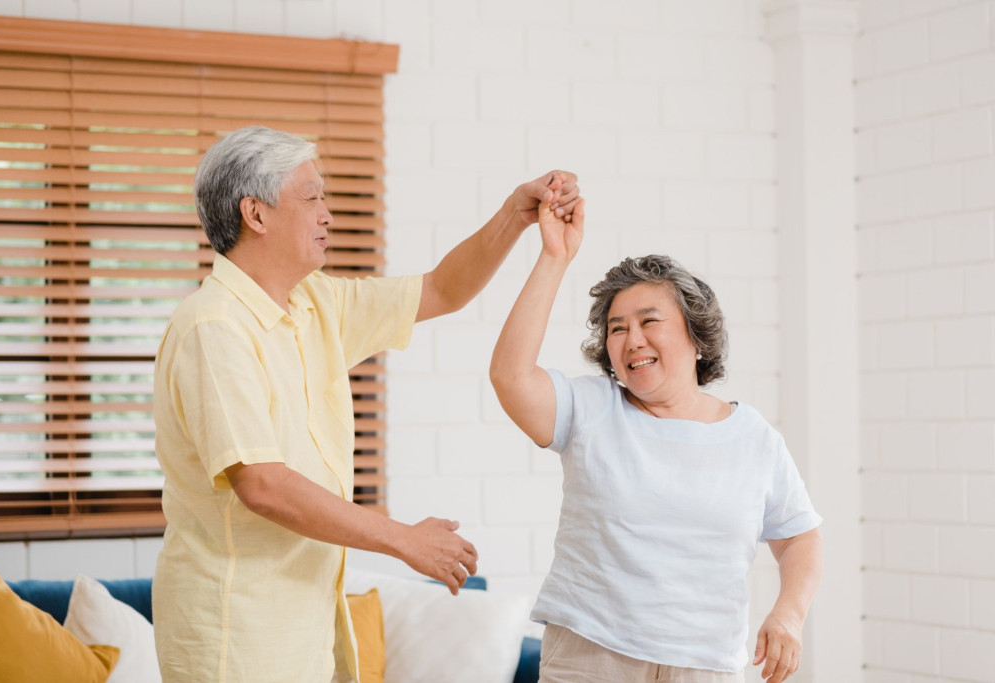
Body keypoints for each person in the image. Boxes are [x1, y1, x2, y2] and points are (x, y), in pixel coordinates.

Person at [152, 125, 582, 683]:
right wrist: (403, 539)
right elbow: (261, 483)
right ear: (255, 215)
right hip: (235, 634)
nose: (327, 213)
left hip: (305, 629)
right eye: (311, 198)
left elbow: (443, 289)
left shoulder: (314, 302)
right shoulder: (213, 327)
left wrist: (515, 216)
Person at [489, 201, 823, 683]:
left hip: (706, 665)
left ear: (697, 336)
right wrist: (554, 257)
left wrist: (789, 614)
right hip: (592, 655)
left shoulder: (754, 439)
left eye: (649, 322)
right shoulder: (592, 409)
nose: (632, 340)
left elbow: (800, 538)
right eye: (617, 328)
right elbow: (510, 375)